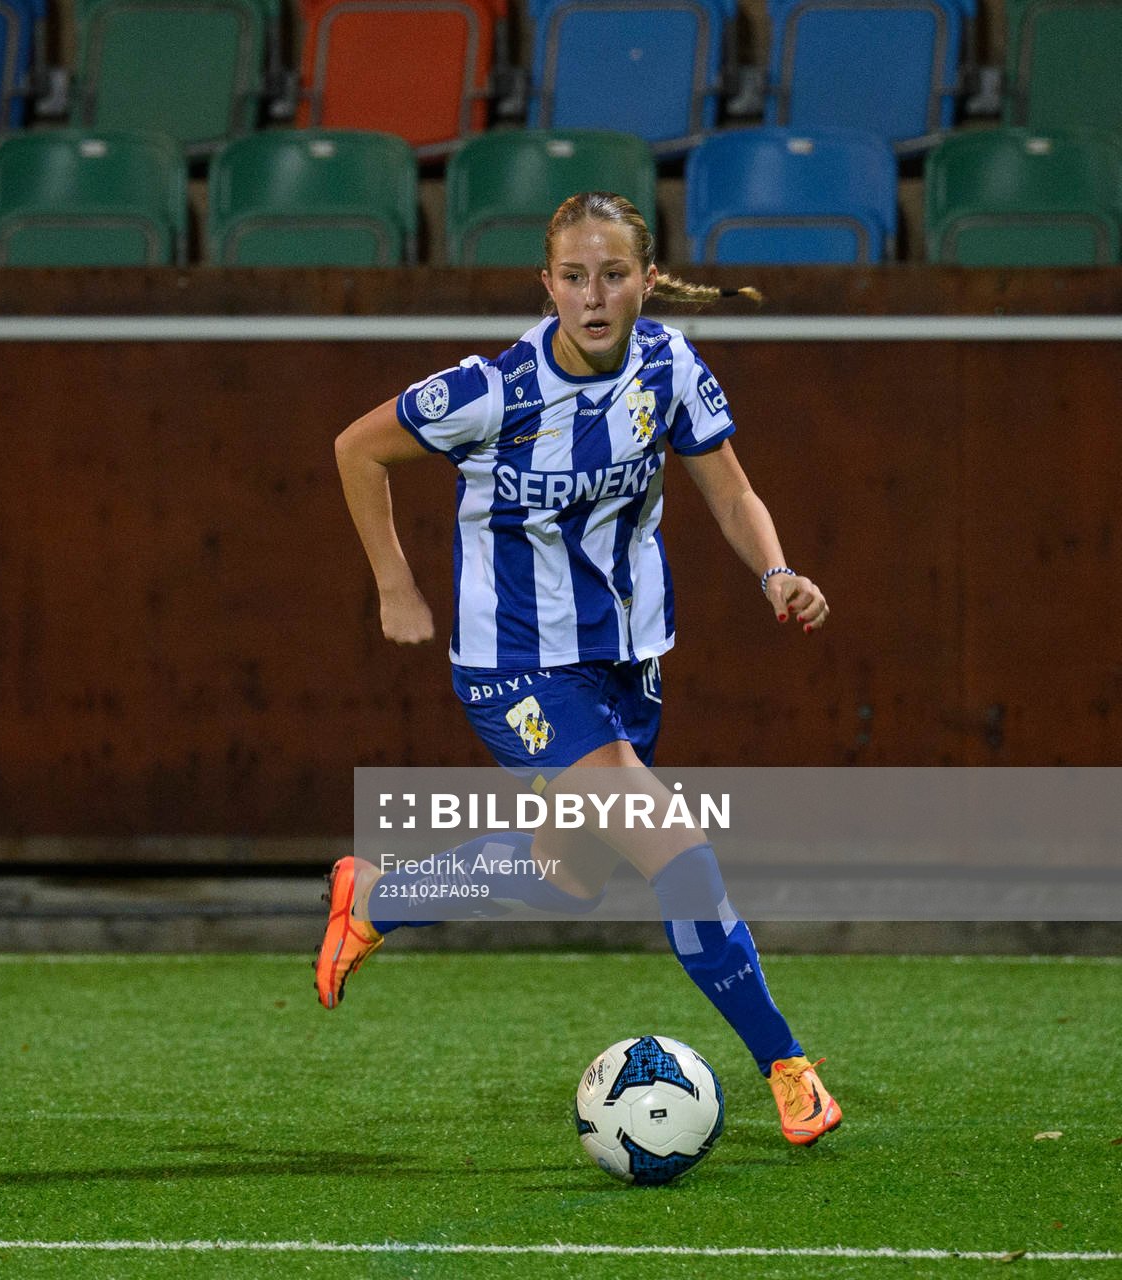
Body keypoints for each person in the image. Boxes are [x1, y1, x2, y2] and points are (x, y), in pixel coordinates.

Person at [319, 192, 841, 1147]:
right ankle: (788, 1068)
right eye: (573, 277)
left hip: (625, 664)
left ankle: (379, 898)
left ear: (646, 279)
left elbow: (730, 491)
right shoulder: (496, 389)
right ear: (547, 283)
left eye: (612, 275)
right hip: (517, 672)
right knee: (680, 855)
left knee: (566, 881)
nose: (593, 297)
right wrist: (395, 586)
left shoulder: (669, 366)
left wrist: (776, 571)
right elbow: (357, 448)